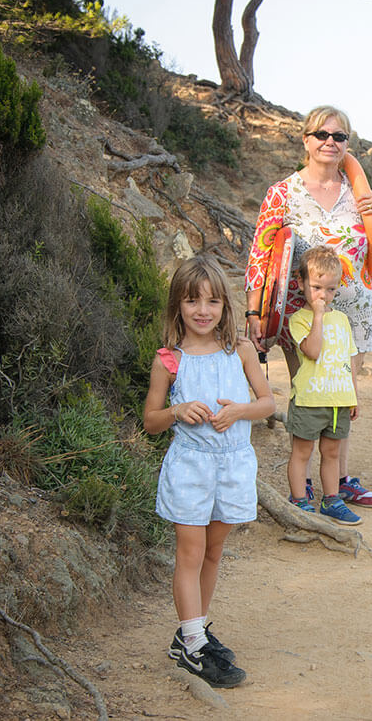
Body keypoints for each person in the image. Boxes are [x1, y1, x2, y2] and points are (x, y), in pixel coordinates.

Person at [245, 105, 372, 508]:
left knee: (341, 395)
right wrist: (253, 312)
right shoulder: (283, 192)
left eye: (339, 136)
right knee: (309, 392)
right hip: (303, 315)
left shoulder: (358, 194)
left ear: (348, 144)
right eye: (322, 135)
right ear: (306, 141)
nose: (330, 142)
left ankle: (339, 482)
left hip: (355, 313)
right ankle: (303, 483)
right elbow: (261, 256)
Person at [143, 255, 276, 689]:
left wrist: (240, 410)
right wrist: (177, 410)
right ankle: (195, 644)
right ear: (177, 307)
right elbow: (150, 420)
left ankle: (192, 633)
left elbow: (268, 404)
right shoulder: (170, 360)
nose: (203, 310)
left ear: (225, 306)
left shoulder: (238, 350)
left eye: (213, 302)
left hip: (234, 464)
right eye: (192, 301)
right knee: (190, 552)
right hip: (191, 468)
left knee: (214, 552)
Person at [285, 246, 362, 525]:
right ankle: (299, 502)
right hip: (309, 400)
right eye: (316, 287)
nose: (323, 295)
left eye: (330, 290)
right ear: (301, 283)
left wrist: (353, 395)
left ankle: (331, 500)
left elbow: (349, 359)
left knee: (330, 453)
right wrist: (318, 315)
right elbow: (313, 351)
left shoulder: (341, 320)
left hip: (337, 401)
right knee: (302, 453)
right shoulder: (300, 319)